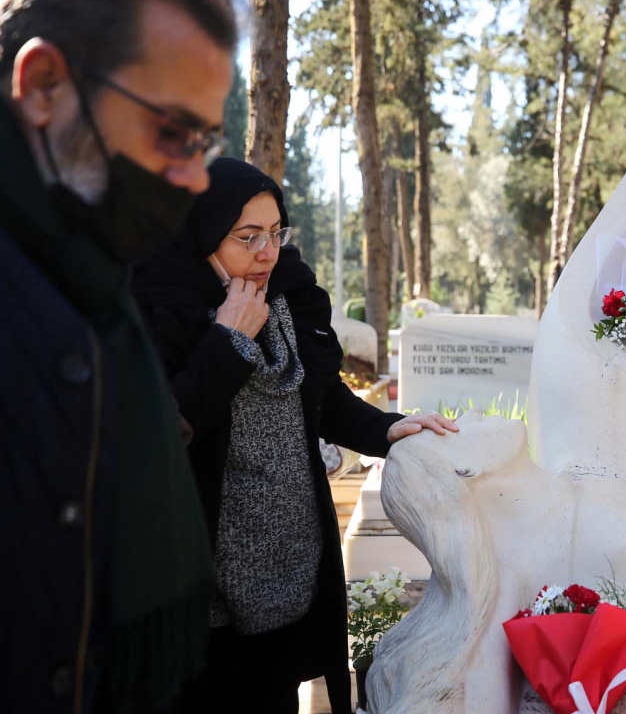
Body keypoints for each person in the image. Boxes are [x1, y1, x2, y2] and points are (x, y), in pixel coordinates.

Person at [132, 157, 458, 713]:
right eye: (247, 237)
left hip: (290, 572)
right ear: (205, 234)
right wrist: (228, 339)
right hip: (201, 587)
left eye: (275, 232)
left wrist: (387, 427)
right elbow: (160, 431)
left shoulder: (287, 292)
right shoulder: (160, 306)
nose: (266, 252)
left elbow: (322, 398)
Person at [0, 0, 239, 712]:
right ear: (43, 86)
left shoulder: (96, 279)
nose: (197, 178)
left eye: (205, 139)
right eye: (173, 131)